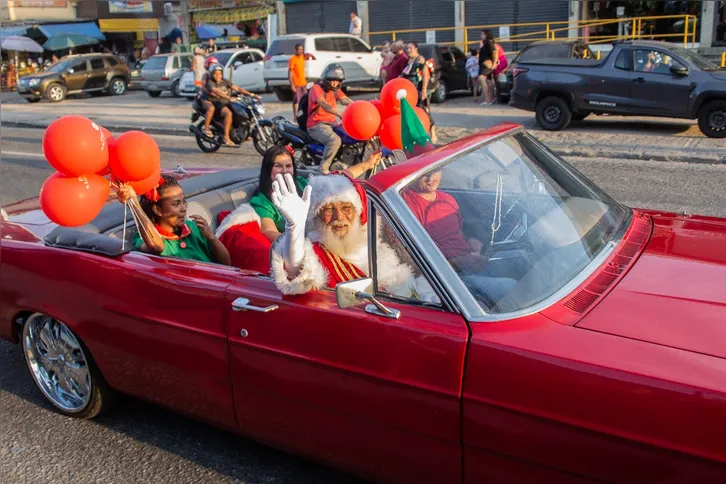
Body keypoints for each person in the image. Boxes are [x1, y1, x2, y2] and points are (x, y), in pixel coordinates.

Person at [267, 171, 433, 298]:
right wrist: (294, 228)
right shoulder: (315, 252)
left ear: (358, 212)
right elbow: (296, 271)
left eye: (346, 208)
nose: (339, 217)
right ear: (317, 216)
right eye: (329, 209)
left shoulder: (373, 240)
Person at [249, 145, 383, 243]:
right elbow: (269, 232)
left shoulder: (302, 183)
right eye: (278, 166)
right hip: (302, 248)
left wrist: (367, 164)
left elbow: (337, 179)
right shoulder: (262, 201)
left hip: (327, 237)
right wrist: (298, 238)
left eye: (288, 166)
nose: (284, 171)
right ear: (268, 169)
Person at [116, 175, 231, 265]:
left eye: (183, 202)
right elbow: (156, 246)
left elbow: (226, 263)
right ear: (158, 210)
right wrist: (134, 203)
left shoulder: (193, 227)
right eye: (176, 204)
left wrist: (211, 238)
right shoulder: (143, 237)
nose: (184, 208)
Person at [307, 64, 352, 174]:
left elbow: (344, 99)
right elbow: (323, 104)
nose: (334, 83)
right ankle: (324, 168)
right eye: (332, 80)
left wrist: (358, 105)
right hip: (316, 124)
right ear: (326, 79)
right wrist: (339, 114)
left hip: (333, 123)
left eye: (337, 81)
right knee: (335, 140)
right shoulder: (316, 88)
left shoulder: (335, 90)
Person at [205, 63, 259, 146]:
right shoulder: (210, 83)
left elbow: (237, 88)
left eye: (219, 73)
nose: (218, 75)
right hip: (217, 103)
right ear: (212, 74)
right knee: (228, 113)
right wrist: (228, 97)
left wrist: (250, 94)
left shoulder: (225, 81)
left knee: (242, 111)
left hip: (227, 102)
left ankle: (244, 133)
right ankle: (226, 138)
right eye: (216, 73)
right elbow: (216, 91)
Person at [401, 41, 437, 143]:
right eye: (407, 48)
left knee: (425, 111)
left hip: (419, 89)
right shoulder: (408, 61)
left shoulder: (420, 60)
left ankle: (433, 133)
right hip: (410, 91)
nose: (408, 50)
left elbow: (426, 75)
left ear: (416, 48)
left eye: (411, 48)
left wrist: (424, 91)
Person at [477, 29, 499, 105]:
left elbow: (495, 52)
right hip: (483, 64)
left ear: (487, 34)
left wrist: (494, 63)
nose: (481, 36)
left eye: (482, 34)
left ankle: (487, 99)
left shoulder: (489, 42)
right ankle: (492, 98)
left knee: (481, 78)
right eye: (481, 34)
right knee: (489, 81)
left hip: (486, 64)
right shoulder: (485, 43)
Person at [288, 43, 307, 120]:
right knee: (296, 100)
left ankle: (304, 114)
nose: (301, 51)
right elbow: (290, 72)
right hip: (296, 83)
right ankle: (295, 116)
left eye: (302, 49)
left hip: (303, 83)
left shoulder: (303, 57)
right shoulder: (292, 59)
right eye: (299, 49)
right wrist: (291, 84)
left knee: (305, 99)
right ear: (295, 50)